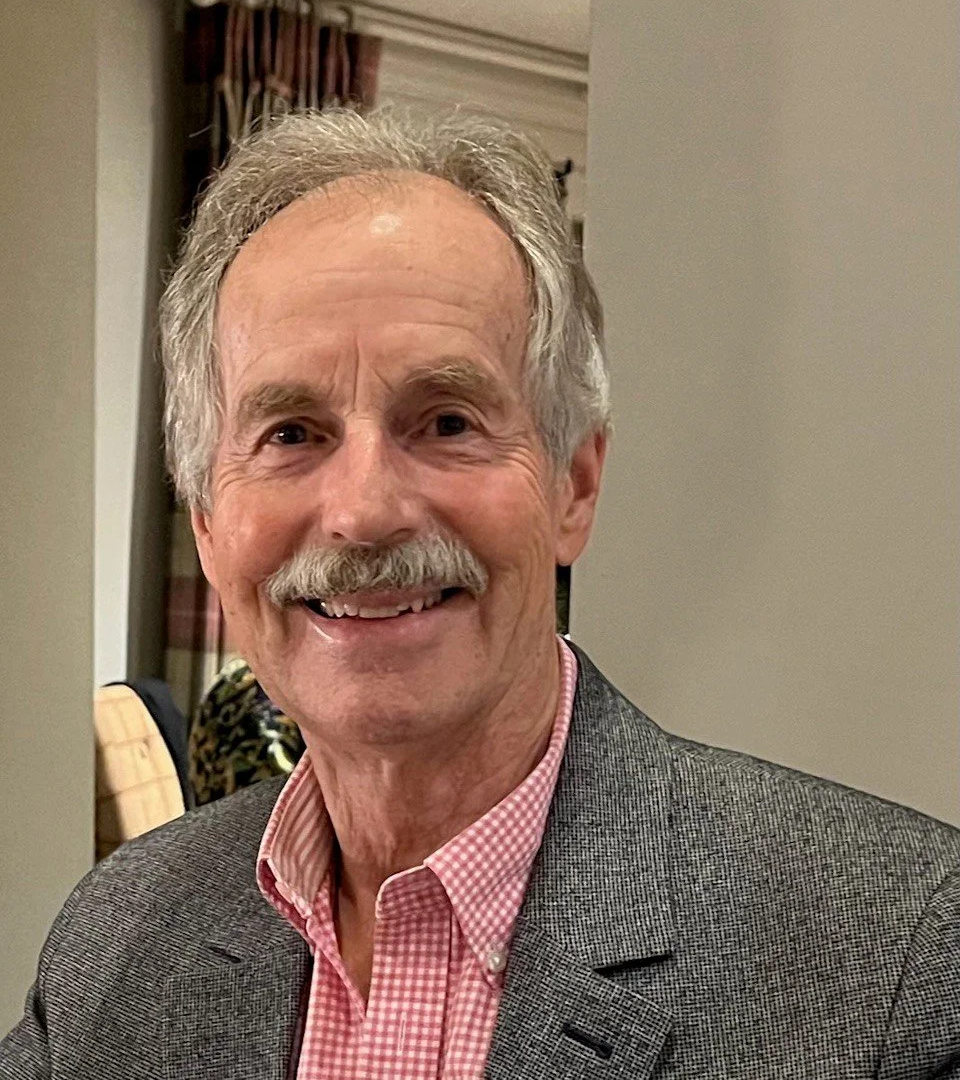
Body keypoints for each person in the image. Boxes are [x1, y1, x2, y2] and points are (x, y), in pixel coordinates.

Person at [2, 109, 958, 1080]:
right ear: (206, 521)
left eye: (448, 419)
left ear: (574, 486)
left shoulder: (901, 962)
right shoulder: (112, 943)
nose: (364, 511)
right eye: (290, 432)